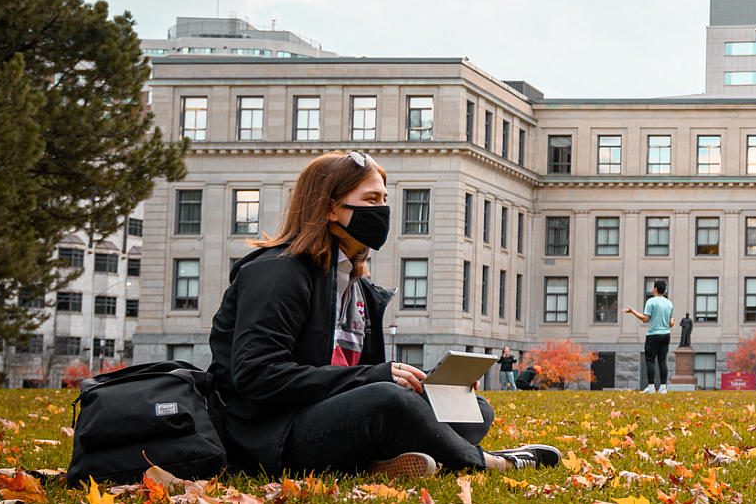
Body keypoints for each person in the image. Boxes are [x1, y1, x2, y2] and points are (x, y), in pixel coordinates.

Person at [208, 151, 559, 478]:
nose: (383, 210)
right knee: (388, 402)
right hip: (270, 434)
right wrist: (376, 378)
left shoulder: (355, 282)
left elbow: (364, 376)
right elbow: (256, 376)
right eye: (371, 200)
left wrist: (428, 385)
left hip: (330, 413)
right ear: (330, 208)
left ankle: (384, 461)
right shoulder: (278, 272)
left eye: (385, 200)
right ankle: (489, 461)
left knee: (473, 409)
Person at [626, 280, 673, 393]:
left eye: (653, 287)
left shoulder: (651, 302)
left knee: (650, 360)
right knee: (662, 360)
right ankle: (663, 387)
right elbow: (670, 323)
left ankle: (651, 386)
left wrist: (632, 311)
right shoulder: (669, 303)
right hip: (666, 334)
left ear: (655, 288)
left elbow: (645, 318)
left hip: (653, 334)